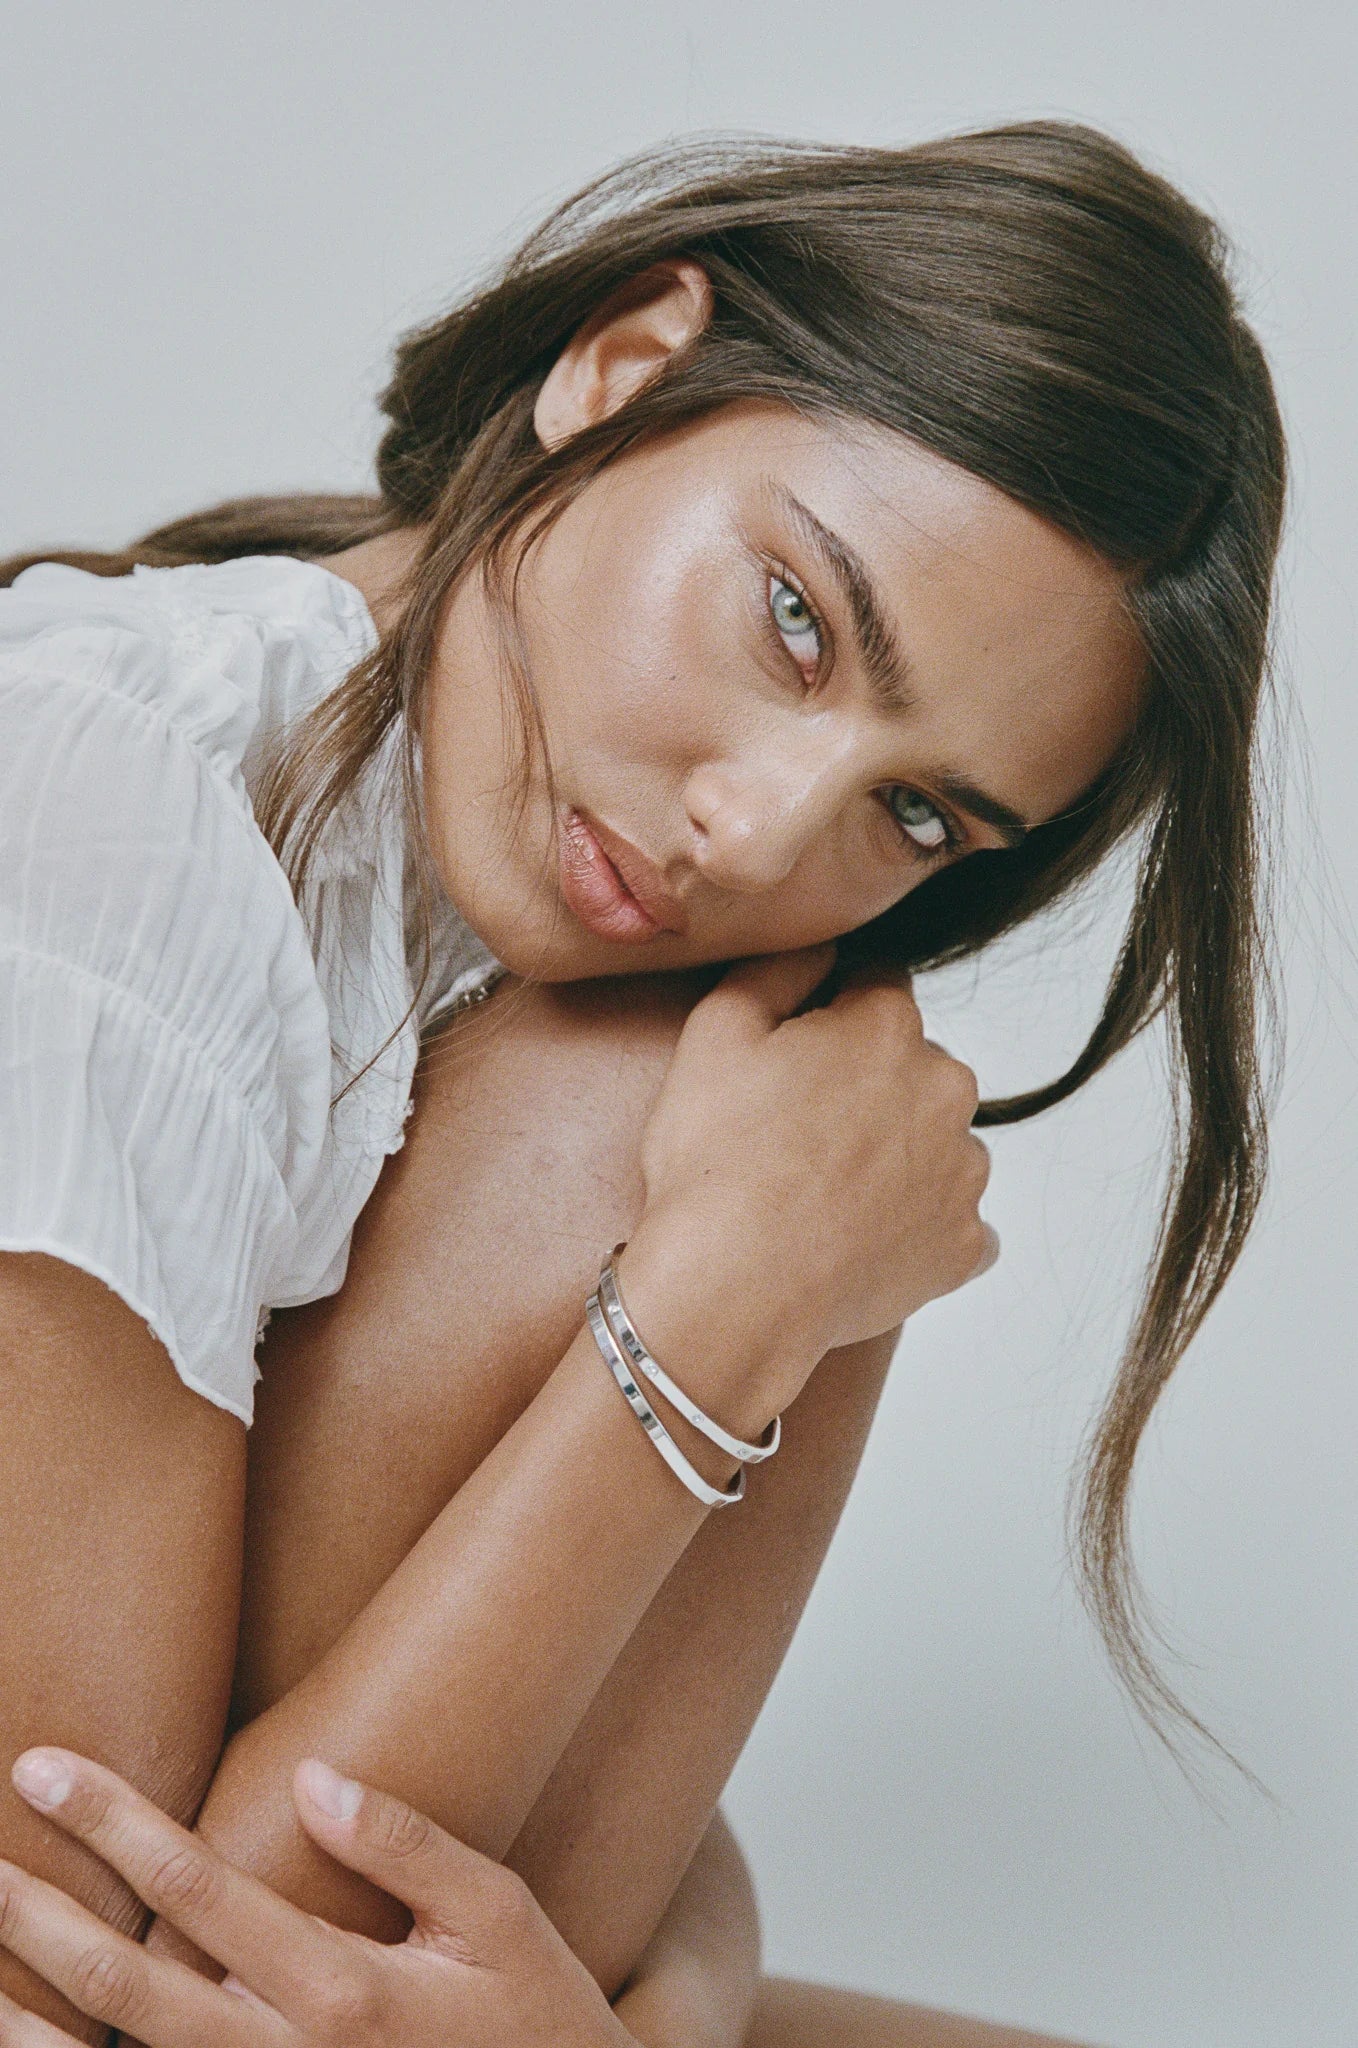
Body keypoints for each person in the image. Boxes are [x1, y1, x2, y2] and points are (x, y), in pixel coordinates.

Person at [0, 119, 1284, 2047]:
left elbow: (562, 1806)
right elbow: (99, 1993)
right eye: (795, 618)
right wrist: (703, 1325)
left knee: (793, 1117)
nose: (754, 837)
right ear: (618, 369)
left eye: (917, 811)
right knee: (708, 1161)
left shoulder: (498, 913)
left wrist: (664, 2007)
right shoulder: (103, 820)